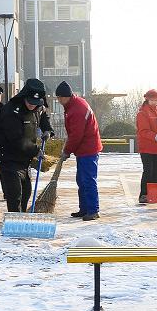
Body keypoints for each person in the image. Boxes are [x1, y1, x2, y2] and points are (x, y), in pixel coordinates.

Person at [0, 78, 53, 213]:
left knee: (26, 193)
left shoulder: (38, 106)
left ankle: (22, 218)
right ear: (24, 96)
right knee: (15, 195)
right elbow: (16, 139)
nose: (33, 105)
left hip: (25, 160)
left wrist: (47, 129)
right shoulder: (11, 111)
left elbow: (43, 115)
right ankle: (14, 220)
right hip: (8, 157)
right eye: (30, 102)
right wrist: (36, 150)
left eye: (36, 103)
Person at [55, 81, 102, 220]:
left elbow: (76, 135)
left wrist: (67, 151)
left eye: (60, 98)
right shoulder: (74, 104)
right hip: (84, 149)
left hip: (88, 149)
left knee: (88, 180)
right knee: (81, 180)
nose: (59, 101)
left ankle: (93, 210)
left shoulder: (77, 110)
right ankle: (84, 209)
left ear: (66, 96)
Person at [135, 89, 157, 205]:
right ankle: (144, 195)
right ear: (147, 100)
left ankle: (154, 194)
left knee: (156, 172)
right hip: (146, 147)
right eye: (152, 100)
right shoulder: (142, 113)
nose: (155, 102)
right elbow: (143, 131)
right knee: (148, 171)